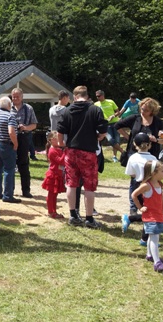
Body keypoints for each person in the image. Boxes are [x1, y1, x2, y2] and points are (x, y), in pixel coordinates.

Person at [57, 85, 108, 229]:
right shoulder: (95, 109)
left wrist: (61, 144)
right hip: (88, 152)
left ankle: (73, 215)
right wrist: (100, 137)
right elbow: (103, 129)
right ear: (87, 96)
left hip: (71, 151)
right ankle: (89, 218)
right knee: (89, 186)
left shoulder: (67, 110)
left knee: (71, 184)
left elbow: (60, 131)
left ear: (74, 96)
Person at [131, 160, 163, 273]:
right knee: (155, 238)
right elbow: (134, 195)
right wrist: (140, 208)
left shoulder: (158, 183)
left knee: (151, 236)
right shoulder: (147, 185)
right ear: (154, 173)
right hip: (151, 217)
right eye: (162, 171)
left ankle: (149, 255)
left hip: (158, 215)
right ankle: (157, 262)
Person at [122, 132, 159, 246]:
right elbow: (156, 174)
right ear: (149, 145)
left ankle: (132, 220)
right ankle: (144, 238)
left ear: (134, 144)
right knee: (150, 213)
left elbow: (131, 173)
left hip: (137, 185)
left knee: (146, 211)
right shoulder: (153, 158)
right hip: (150, 186)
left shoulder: (133, 157)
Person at [10, 88, 38, 198]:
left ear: (22, 97)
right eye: (13, 96)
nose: (15, 98)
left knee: (24, 165)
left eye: (17, 96)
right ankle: (10, 190)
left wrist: (25, 127)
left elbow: (34, 125)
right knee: (10, 165)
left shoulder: (28, 108)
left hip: (24, 137)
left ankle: (26, 190)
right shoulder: (8, 107)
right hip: (10, 138)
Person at [0, 96, 20, 203]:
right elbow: (11, 132)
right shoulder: (10, 116)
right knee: (9, 169)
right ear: (9, 105)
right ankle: (8, 195)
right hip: (7, 144)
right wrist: (15, 144)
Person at [94, 90, 124, 163]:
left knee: (117, 140)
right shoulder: (96, 104)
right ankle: (123, 152)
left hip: (115, 123)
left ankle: (114, 156)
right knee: (110, 139)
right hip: (105, 125)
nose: (97, 98)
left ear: (103, 95)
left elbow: (118, 112)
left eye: (99, 96)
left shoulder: (110, 101)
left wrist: (113, 116)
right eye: (96, 96)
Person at [42, 131, 66, 218]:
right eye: (56, 139)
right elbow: (60, 161)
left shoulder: (58, 149)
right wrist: (65, 152)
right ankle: (50, 212)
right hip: (53, 175)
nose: (59, 140)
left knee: (55, 195)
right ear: (51, 140)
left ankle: (54, 211)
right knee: (51, 194)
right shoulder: (52, 151)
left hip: (58, 174)